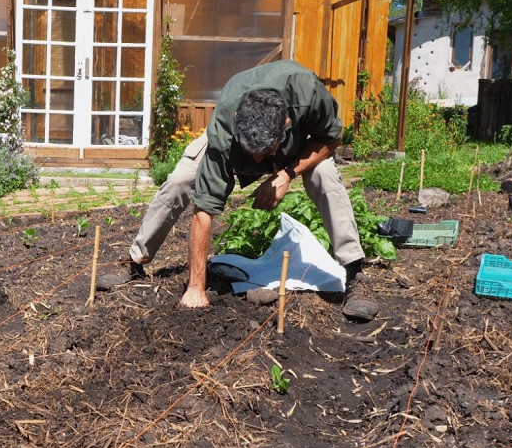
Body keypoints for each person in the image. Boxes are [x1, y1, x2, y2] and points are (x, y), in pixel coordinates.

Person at [98, 59, 379, 321]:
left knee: (325, 174)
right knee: (180, 180)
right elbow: (204, 209)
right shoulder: (225, 126)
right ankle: (135, 261)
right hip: (235, 142)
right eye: (252, 152)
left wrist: (287, 173)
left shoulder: (307, 92)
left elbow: (331, 138)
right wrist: (196, 287)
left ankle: (356, 274)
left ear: (286, 124)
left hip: (294, 152)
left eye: (264, 152)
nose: (258, 161)